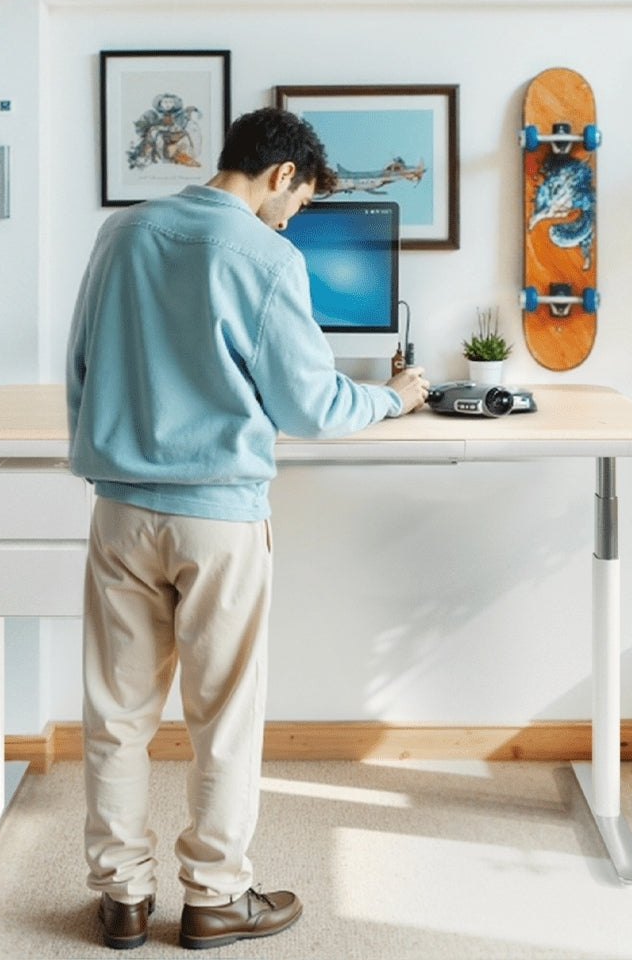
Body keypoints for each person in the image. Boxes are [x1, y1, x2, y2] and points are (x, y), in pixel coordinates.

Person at [66, 107, 428, 951]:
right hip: (218, 519)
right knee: (222, 715)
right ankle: (216, 898)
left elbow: (82, 366)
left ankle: (121, 901)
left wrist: (107, 458)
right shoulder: (265, 255)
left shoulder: (121, 235)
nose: (293, 217)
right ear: (281, 174)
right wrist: (397, 397)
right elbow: (311, 405)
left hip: (120, 509)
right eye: (298, 201)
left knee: (116, 714)